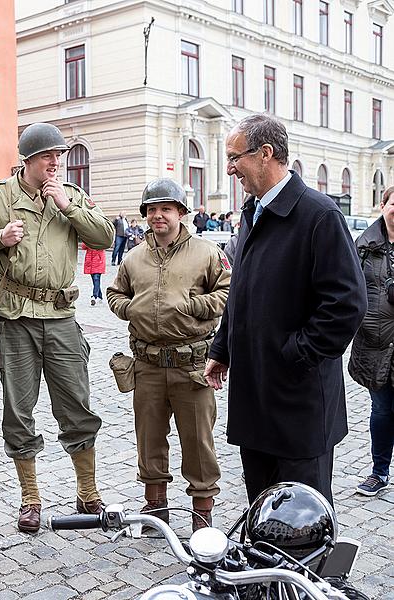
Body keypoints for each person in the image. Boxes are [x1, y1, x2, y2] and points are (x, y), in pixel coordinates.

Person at [204, 114, 366, 505]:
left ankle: (305, 569)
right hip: (255, 397)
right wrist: (222, 349)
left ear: (265, 153)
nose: (229, 168)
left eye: (234, 157)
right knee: (262, 508)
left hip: (299, 401)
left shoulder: (318, 214)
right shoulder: (251, 213)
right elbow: (241, 291)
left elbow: (347, 304)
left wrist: (296, 354)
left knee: (303, 513)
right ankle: (265, 566)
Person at [0, 122, 115, 533]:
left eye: (59, 156)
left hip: (62, 318)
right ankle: (30, 498)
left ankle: (87, 492)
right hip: (15, 318)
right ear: (28, 159)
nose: (55, 163)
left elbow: (105, 237)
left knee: (77, 405)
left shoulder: (71, 195)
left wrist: (69, 207)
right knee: (19, 410)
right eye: (48, 156)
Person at [107, 178, 230, 532]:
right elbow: (116, 294)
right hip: (146, 365)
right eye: (152, 210)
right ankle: (155, 505)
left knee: (198, 443)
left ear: (180, 213)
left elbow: (226, 292)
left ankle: (202, 515)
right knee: (149, 439)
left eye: (166, 209)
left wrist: (191, 305)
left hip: (192, 367)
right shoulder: (133, 257)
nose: (158, 216)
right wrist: (131, 309)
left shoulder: (206, 252)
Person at [349, 186, 394, 497]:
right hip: (375, 344)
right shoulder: (363, 246)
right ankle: (379, 472)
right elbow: (347, 291)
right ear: (383, 204)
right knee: (381, 411)